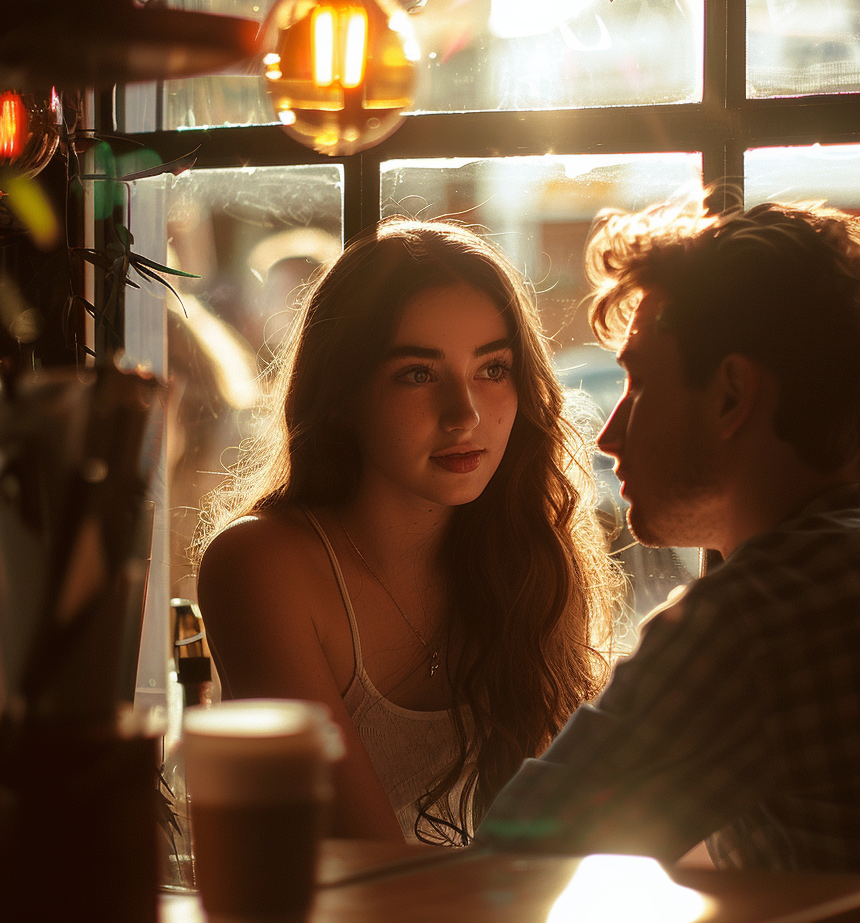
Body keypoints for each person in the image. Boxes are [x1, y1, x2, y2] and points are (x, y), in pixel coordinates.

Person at [478, 200, 860, 923]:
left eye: (638, 385)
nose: (608, 433)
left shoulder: (757, 620)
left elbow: (508, 863)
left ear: (732, 395)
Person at [195, 217, 622, 846]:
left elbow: (569, 832)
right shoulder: (265, 563)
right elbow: (371, 866)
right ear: (341, 393)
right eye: (418, 374)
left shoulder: (525, 556)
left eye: (492, 369)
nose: (465, 413)